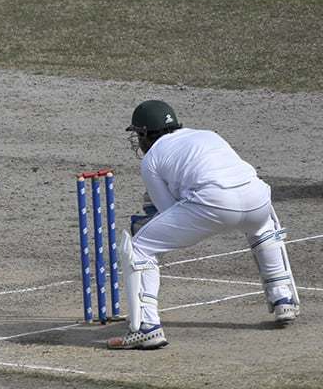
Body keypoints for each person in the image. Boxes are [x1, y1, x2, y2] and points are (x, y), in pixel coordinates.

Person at [108, 100, 300, 349]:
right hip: (258, 197)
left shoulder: (151, 160)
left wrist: (145, 223)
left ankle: (147, 327)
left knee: (140, 247)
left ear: (144, 134)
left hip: (213, 203)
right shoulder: (207, 135)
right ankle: (282, 298)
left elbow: (169, 211)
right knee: (263, 226)